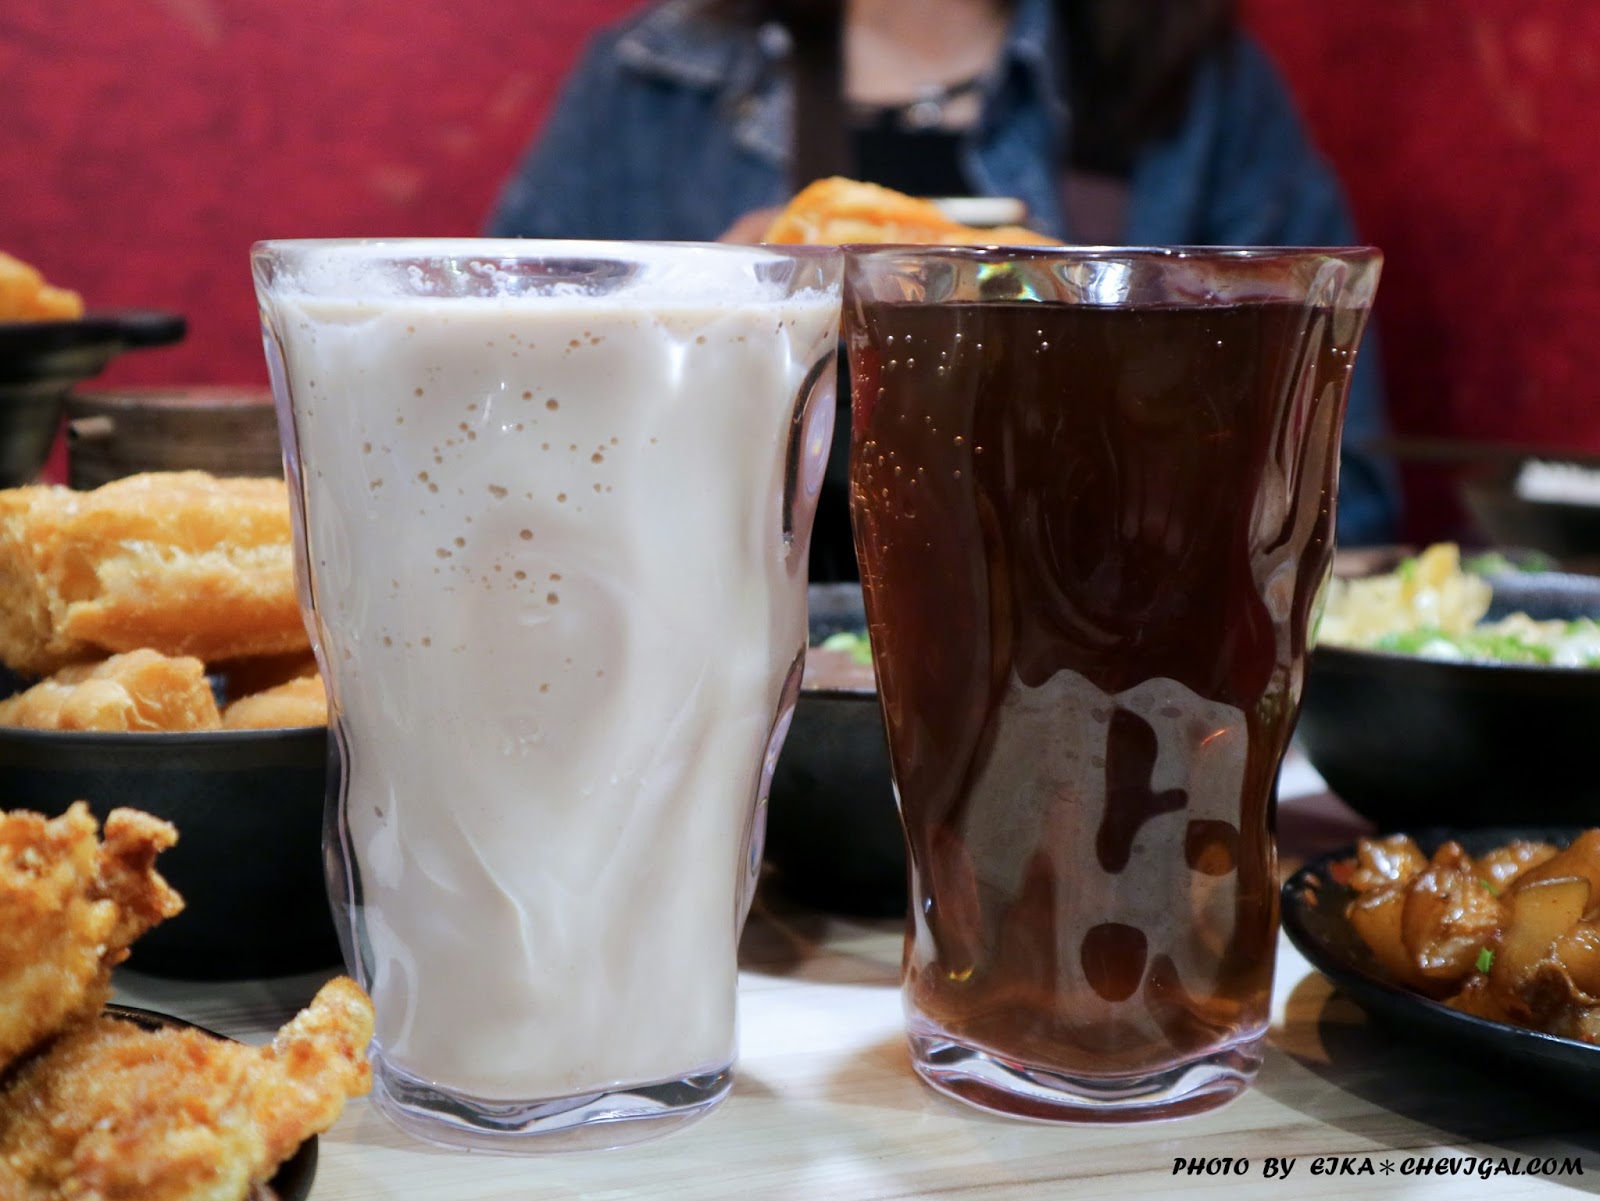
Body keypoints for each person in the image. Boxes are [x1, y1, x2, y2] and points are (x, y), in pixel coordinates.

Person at [487, 0, 1400, 576]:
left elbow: (1333, 494)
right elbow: (495, 441)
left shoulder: (1197, 90)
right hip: (727, 667)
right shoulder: (651, 86)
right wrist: (685, 316)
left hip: (1084, 664)